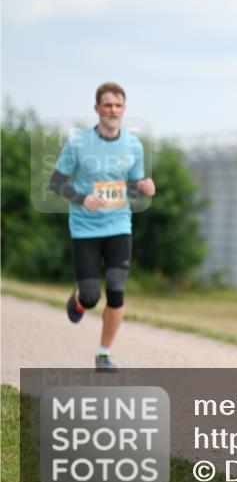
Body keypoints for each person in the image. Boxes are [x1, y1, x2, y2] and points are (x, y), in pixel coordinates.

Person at [48, 82, 156, 372]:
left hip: (119, 225)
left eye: (118, 105)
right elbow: (56, 183)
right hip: (84, 228)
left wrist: (143, 187)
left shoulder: (133, 145)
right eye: (107, 105)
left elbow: (130, 187)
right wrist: (83, 197)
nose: (112, 110)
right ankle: (81, 299)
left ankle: (103, 353)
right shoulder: (78, 144)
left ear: (124, 109)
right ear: (97, 108)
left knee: (117, 291)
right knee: (93, 297)